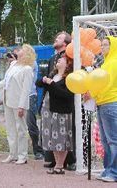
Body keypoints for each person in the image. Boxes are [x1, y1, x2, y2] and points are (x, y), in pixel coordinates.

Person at [0, 44, 36, 165]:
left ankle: (22, 155)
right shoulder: (13, 65)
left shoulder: (27, 69)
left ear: (26, 54)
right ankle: (12, 154)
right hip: (7, 100)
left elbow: (26, 89)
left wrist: (22, 106)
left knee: (21, 129)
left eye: (21, 50)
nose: (18, 51)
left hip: (19, 103)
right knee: (10, 128)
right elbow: (6, 81)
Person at [36, 54, 74, 175]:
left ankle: (60, 165)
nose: (58, 60)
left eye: (62, 59)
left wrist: (51, 84)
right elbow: (39, 83)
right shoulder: (53, 75)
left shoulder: (68, 78)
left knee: (61, 138)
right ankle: (57, 163)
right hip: (49, 110)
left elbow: (67, 95)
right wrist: (43, 80)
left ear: (67, 64)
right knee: (52, 138)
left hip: (62, 111)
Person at [41, 31, 74, 168]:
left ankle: (70, 160)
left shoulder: (70, 56)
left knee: (65, 132)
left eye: (59, 37)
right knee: (52, 132)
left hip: (64, 104)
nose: (56, 38)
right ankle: (55, 160)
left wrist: (52, 83)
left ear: (66, 43)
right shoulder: (52, 59)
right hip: (50, 102)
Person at [92, 36, 117, 182]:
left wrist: (94, 93)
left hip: (110, 102)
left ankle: (114, 172)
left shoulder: (113, 62)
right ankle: (108, 170)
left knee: (113, 140)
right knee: (106, 140)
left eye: (106, 45)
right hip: (103, 103)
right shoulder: (107, 62)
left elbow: (107, 84)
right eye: (102, 45)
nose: (102, 47)